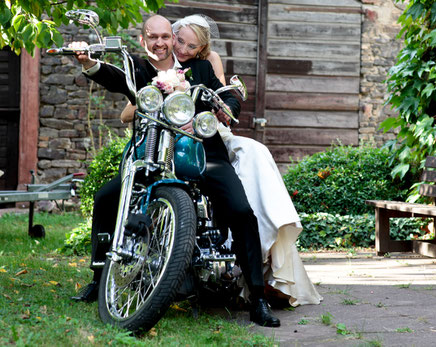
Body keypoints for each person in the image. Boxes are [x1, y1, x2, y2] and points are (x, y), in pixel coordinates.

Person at [70, 14, 280, 328]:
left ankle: (258, 298)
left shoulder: (201, 69)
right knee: (105, 198)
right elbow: (114, 77)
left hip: (202, 152)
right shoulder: (138, 68)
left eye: (166, 37)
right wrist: (88, 62)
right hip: (152, 152)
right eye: (152, 37)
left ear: (172, 37)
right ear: (143, 40)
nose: (161, 43)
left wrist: (227, 109)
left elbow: (225, 95)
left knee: (240, 210)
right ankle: (100, 278)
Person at [138, 14, 321, 306]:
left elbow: (224, 96)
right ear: (170, 38)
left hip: (205, 143)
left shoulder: (202, 67)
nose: (181, 48)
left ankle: (256, 289)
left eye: (190, 45)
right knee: (112, 196)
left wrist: (217, 111)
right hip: (159, 147)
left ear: (201, 48)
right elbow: (128, 100)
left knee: (243, 199)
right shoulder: (145, 67)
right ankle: (106, 277)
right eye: (178, 41)